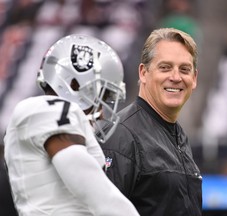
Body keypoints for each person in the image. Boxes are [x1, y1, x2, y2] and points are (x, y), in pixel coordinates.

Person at [4, 34, 139, 216]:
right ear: (75, 84)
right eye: (103, 96)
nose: (103, 110)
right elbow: (97, 193)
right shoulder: (41, 109)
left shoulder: (61, 120)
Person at [98, 28, 202, 216]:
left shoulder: (178, 137)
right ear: (143, 73)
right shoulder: (121, 134)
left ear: (194, 78)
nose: (176, 77)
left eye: (184, 69)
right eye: (165, 67)